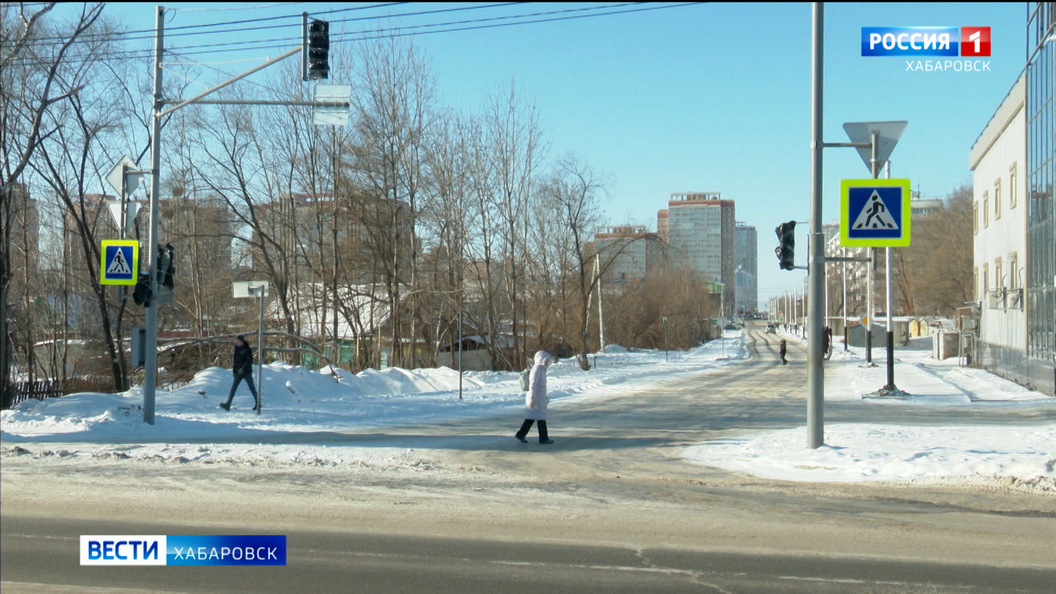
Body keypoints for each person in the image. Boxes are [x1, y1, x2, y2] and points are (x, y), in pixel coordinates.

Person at [515, 350, 554, 445]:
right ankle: (543, 438)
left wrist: (544, 397)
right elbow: (533, 384)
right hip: (535, 399)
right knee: (539, 418)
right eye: (545, 360)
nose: (547, 362)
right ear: (540, 359)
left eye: (548, 360)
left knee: (533, 418)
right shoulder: (537, 369)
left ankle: (521, 434)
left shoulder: (542, 369)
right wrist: (532, 397)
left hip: (539, 398)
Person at [220, 335, 258, 411]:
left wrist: (243, 368)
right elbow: (236, 361)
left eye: (237, 341)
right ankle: (228, 404)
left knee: (251, 388)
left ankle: (258, 403)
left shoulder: (247, 349)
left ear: (241, 341)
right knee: (233, 388)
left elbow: (249, 361)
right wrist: (235, 371)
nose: (236, 342)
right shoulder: (236, 349)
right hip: (238, 372)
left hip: (246, 372)